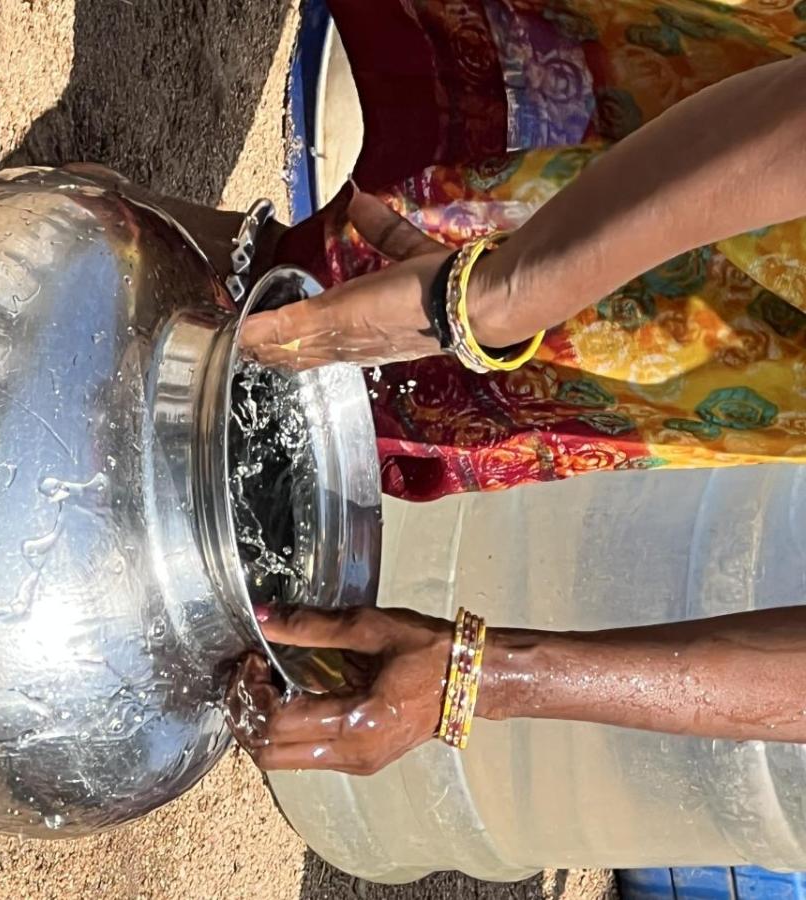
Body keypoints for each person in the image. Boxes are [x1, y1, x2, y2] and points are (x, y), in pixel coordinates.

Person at [225, 0, 806, 774]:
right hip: (759, 130)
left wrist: (484, 673)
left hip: (753, 341)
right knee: (417, 269)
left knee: (322, 334)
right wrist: (494, 297)